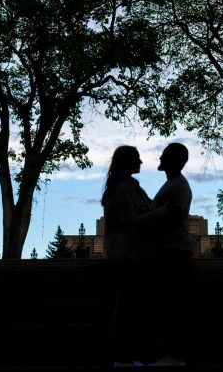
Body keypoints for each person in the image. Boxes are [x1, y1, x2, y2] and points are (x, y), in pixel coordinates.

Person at [101, 145, 151, 368]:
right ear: (126, 162)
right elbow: (132, 223)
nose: (141, 162)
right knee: (127, 307)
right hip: (127, 257)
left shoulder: (129, 188)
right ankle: (123, 356)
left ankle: (128, 354)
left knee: (131, 307)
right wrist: (161, 213)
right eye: (137, 158)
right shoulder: (123, 191)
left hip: (133, 256)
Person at [147, 142, 194, 367]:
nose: (160, 158)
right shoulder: (175, 184)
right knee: (171, 304)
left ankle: (174, 354)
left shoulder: (176, 186)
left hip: (173, 251)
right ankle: (173, 353)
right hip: (172, 249)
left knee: (172, 304)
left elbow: (169, 215)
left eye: (165, 155)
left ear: (174, 160)